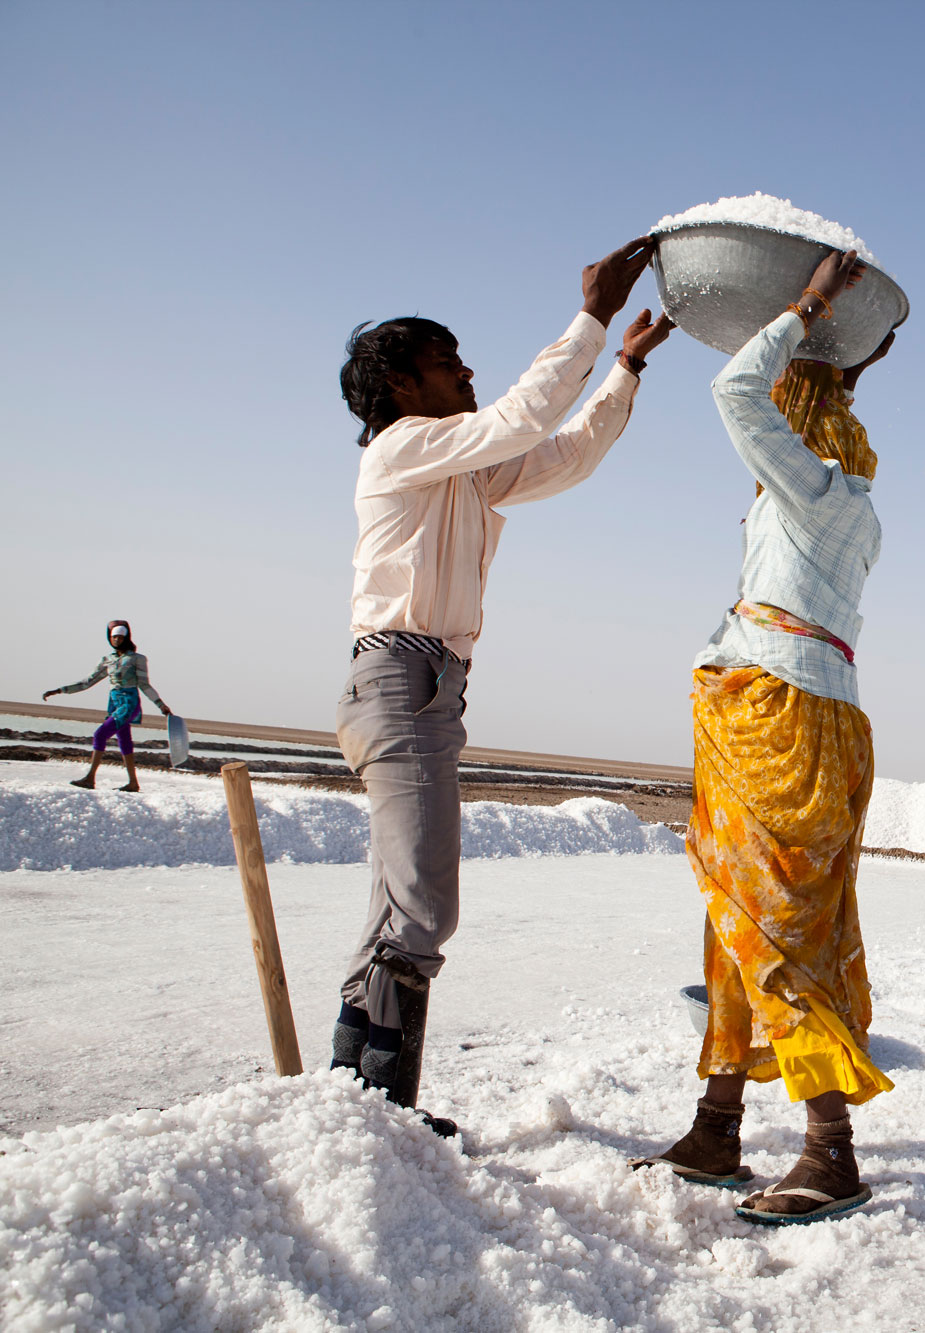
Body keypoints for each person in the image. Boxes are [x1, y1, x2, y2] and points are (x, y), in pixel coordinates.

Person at [331, 235, 673, 1136]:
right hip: (399, 677)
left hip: (432, 686)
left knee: (399, 902)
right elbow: (523, 417)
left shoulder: (462, 467)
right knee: (425, 904)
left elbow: (562, 455)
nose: (467, 370)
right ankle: (381, 1104)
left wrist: (626, 369)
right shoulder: (404, 447)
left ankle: (352, 1100)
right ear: (403, 387)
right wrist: (592, 315)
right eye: (448, 363)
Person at [631, 249, 898, 1226]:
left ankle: (830, 1149)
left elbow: (732, 387)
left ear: (799, 426)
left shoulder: (808, 492)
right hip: (803, 711)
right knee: (740, 916)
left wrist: (809, 306)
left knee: (773, 928)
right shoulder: (839, 504)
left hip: (779, 719)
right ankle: (716, 1123)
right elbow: (792, 416)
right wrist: (839, 368)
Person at [43, 619, 174, 792]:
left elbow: (144, 684)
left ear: (126, 637)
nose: (117, 640)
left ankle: (90, 778)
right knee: (124, 741)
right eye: (114, 637)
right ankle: (133, 783)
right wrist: (60, 690)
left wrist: (161, 705)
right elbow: (87, 682)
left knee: (100, 734)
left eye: (120, 637)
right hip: (114, 703)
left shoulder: (137, 659)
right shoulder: (107, 660)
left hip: (128, 702)